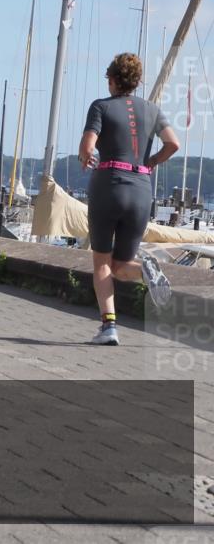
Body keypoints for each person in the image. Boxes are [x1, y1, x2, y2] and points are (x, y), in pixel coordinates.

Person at [79, 53, 179, 346]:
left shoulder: (101, 106)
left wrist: (85, 157)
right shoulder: (153, 110)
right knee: (122, 265)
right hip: (140, 189)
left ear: (112, 79)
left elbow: (88, 146)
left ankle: (109, 328)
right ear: (135, 82)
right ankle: (146, 271)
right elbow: (173, 143)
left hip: (108, 185)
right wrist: (151, 162)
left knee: (102, 262)